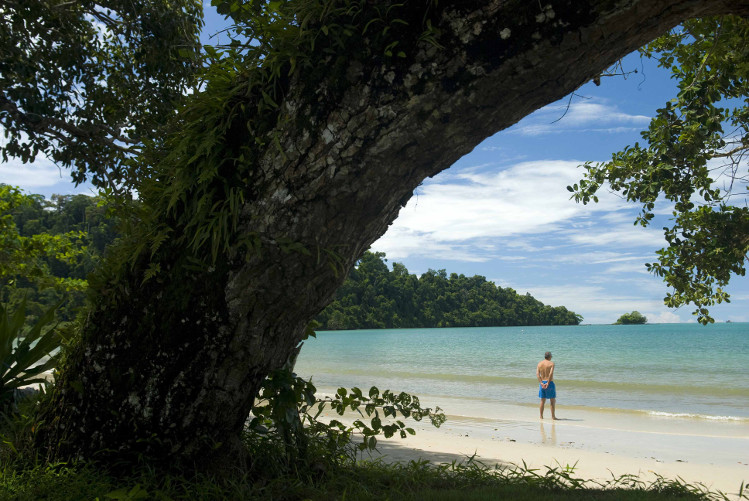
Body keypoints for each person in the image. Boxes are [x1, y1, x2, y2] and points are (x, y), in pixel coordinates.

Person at [536, 351, 557, 420]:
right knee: (552, 400)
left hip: (542, 382)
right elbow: (550, 374)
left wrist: (541, 383)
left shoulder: (539, 364)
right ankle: (553, 416)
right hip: (549, 382)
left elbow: (537, 374)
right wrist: (548, 382)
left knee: (542, 400)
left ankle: (541, 416)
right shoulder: (551, 364)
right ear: (550, 356)